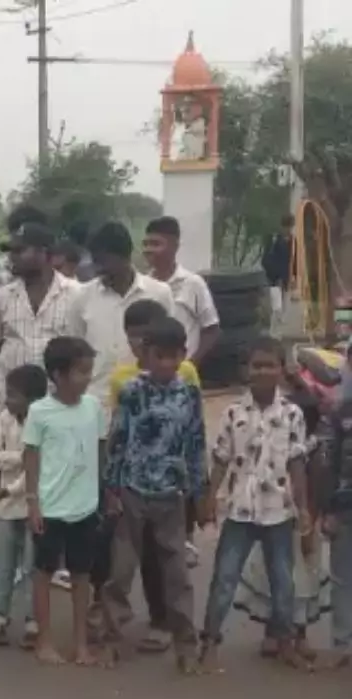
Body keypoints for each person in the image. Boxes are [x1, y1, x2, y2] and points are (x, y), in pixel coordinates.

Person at [198, 337, 312, 671]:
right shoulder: (234, 412)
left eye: (270, 365)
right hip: (239, 510)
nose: (262, 371)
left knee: (283, 581)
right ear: (246, 370)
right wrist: (209, 499)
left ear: (282, 370)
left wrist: (303, 507)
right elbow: (220, 459)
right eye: (256, 365)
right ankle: (210, 644)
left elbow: (297, 463)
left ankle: (285, 642)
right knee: (224, 578)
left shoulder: (293, 414)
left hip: (280, 510)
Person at [98, 298, 203, 648]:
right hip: (132, 490)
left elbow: (196, 441)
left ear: (183, 354)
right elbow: (118, 439)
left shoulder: (188, 394)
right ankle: (114, 626)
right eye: (160, 356)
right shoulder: (131, 392)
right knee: (122, 566)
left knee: (175, 568)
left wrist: (198, 491)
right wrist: (111, 487)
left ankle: (184, 634)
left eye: (174, 357)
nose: (166, 364)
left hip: (171, 493)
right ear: (146, 353)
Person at [22, 339, 109, 665]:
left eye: (89, 371)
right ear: (57, 375)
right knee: (44, 573)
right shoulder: (39, 412)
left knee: (81, 575)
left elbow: (100, 451)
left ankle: (81, 644)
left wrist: (104, 493)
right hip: (51, 507)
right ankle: (44, 640)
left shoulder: (93, 408)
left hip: (85, 507)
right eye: (80, 371)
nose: (87, 378)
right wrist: (33, 502)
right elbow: (31, 457)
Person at [67, 221, 175, 401]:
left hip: (147, 400)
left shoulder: (159, 293)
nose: (99, 269)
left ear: (125, 256)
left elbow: (169, 344)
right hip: (97, 400)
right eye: (95, 262)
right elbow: (75, 351)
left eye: (104, 262)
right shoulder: (81, 297)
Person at [0, 222, 79, 432]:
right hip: (10, 410)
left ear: (44, 253)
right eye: (11, 251)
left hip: (56, 407)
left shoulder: (75, 295)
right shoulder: (3, 297)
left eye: (20, 251)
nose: (12, 257)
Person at [0, 363, 48, 648]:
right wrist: (20, 457)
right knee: (3, 564)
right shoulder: (5, 420)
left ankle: (33, 623)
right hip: (8, 506)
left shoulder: (43, 423)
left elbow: (36, 470)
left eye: (13, 395)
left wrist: (7, 487)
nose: (7, 400)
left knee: (33, 566)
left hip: (33, 505)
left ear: (32, 399)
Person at [142, 216, 221, 366]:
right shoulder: (143, 285)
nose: (148, 250)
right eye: (145, 244)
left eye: (156, 244)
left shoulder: (192, 283)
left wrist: (191, 364)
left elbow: (211, 329)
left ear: (174, 246)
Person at [262, 214, 294, 324]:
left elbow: (294, 261)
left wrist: (293, 276)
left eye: (289, 227)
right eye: (286, 227)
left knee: (284, 307)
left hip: (286, 279)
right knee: (276, 307)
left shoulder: (293, 242)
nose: (288, 230)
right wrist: (275, 276)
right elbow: (267, 260)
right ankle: (274, 329)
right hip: (274, 279)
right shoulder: (274, 240)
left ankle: (279, 330)